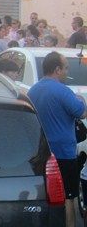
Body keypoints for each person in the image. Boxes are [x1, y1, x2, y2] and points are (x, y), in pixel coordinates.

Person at [28, 52, 87, 227]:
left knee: (44, 197)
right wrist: (82, 100)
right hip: (63, 153)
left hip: (39, 153)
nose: (67, 72)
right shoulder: (63, 91)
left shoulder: (33, 90)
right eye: (66, 68)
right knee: (68, 197)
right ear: (57, 69)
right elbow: (82, 112)